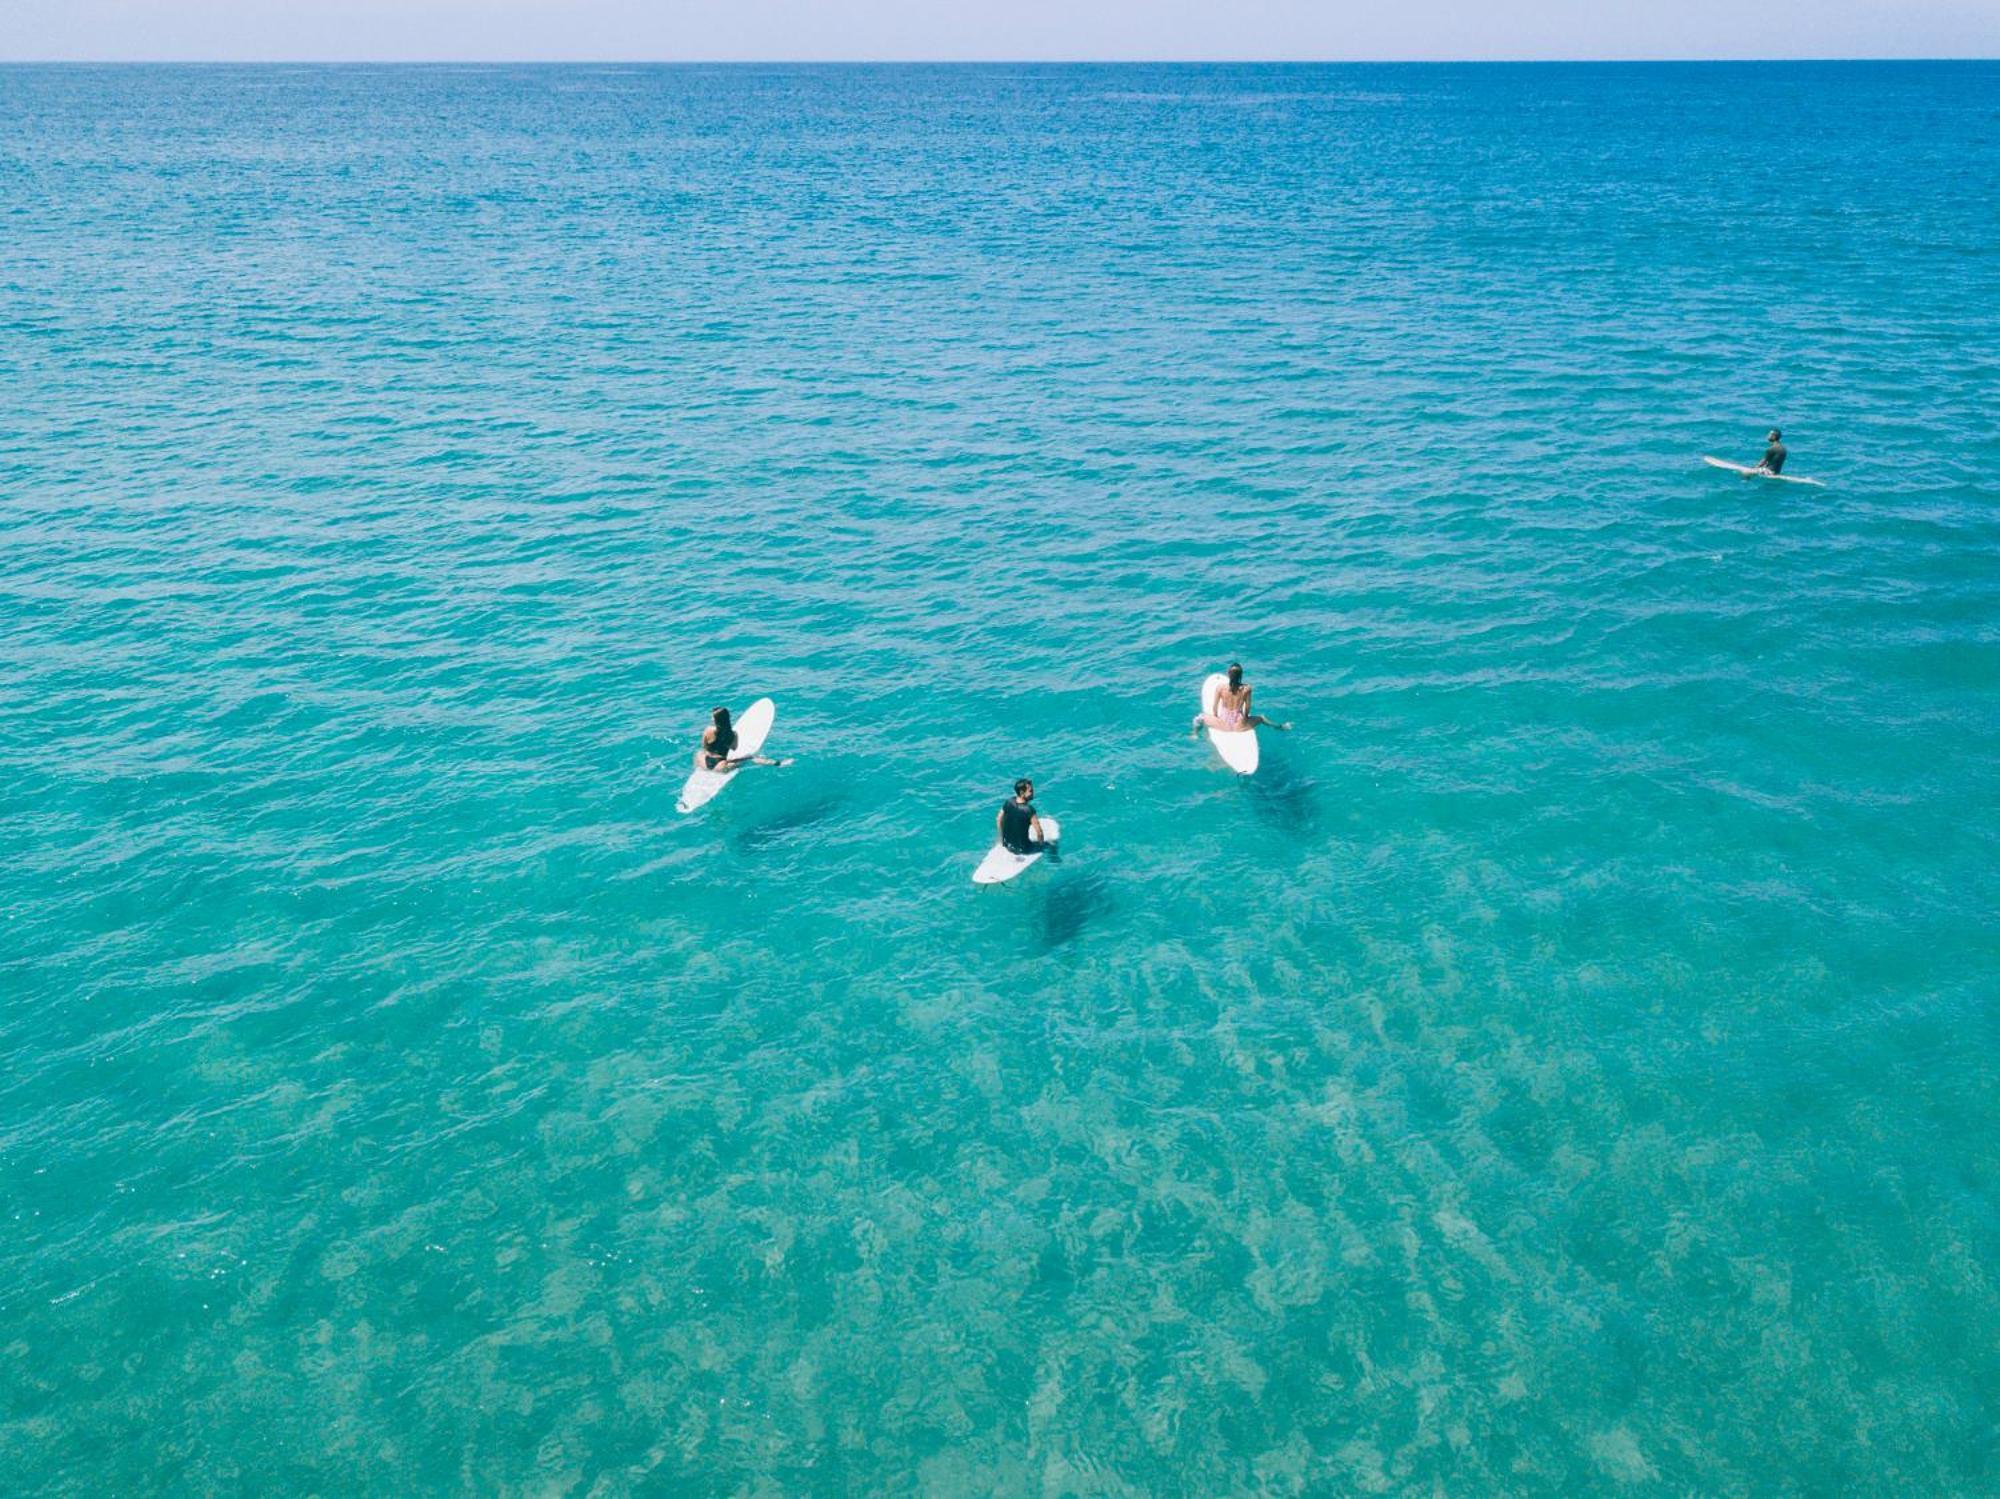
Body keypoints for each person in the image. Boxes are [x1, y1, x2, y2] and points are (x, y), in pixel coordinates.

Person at [1192, 662, 1292, 736]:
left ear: (1228, 674)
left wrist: (1216, 719)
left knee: (1199, 718)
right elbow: (1247, 708)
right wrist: (1245, 719)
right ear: (1241, 676)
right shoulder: (1246, 689)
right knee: (1261, 718)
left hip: (1224, 724)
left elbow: (1215, 708)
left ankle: (1195, 734)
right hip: (1239, 725)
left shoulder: (1220, 688)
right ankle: (1281, 727)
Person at [694, 705, 788, 773]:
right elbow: (734, 748)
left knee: (699, 752)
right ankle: (778, 763)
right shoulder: (733, 734)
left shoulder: (708, 730)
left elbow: (704, 747)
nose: (711, 718)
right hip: (720, 766)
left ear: (715, 720)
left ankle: (701, 771)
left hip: (703, 761)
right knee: (750, 758)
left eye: (712, 717)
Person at [997, 778, 1058, 861]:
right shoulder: (1029, 810)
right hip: (1024, 849)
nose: (1033, 793)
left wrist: (1002, 839)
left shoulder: (1009, 802)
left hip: (1008, 846)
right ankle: (1054, 860)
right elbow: (1039, 832)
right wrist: (1041, 846)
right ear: (1022, 793)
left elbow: (999, 819)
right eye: (1030, 791)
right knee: (1051, 844)